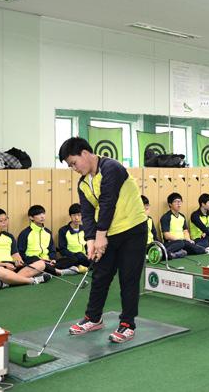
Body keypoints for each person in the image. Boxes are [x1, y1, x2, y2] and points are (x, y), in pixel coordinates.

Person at [59, 137, 148, 343]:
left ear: (84, 153)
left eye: (74, 163)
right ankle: (93, 317)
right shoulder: (83, 183)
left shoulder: (111, 168)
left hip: (132, 230)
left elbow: (108, 203)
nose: (74, 168)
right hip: (108, 233)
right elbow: (88, 214)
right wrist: (91, 241)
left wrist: (100, 237)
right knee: (100, 275)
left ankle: (127, 324)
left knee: (128, 278)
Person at [0, 208, 51, 289]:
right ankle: (31, 280)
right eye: (1, 221)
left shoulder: (9, 236)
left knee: (40, 264)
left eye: (6, 219)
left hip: (11, 267)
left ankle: (7, 282)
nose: (5, 223)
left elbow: (15, 255)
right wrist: (3, 265)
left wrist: (17, 262)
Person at [17, 205, 78, 276]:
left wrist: (52, 259)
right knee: (35, 259)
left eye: (43, 213)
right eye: (38, 214)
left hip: (47, 261)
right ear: (31, 217)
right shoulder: (24, 233)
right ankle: (59, 271)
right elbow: (21, 253)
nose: (42, 216)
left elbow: (52, 250)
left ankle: (44, 271)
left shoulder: (48, 232)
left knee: (73, 259)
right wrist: (39, 260)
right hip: (33, 261)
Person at [160, 192, 207, 257]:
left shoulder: (182, 216)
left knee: (200, 250)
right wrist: (180, 240)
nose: (178, 204)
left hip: (183, 242)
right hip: (172, 243)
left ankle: (177, 254)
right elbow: (166, 235)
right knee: (180, 243)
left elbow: (185, 231)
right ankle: (165, 253)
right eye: (176, 202)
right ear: (170, 204)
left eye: (180, 202)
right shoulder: (166, 217)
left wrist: (188, 240)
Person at [56, 204, 91, 273]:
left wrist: (88, 254)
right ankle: (80, 267)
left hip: (84, 257)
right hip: (71, 258)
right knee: (76, 258)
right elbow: (63, 249)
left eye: (79, 215)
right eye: (74, 215)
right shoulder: (63, 230)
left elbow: (88, 246)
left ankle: (76, 268)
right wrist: (75, 255)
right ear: (70, 216)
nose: (76, 218)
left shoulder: (85, 229)